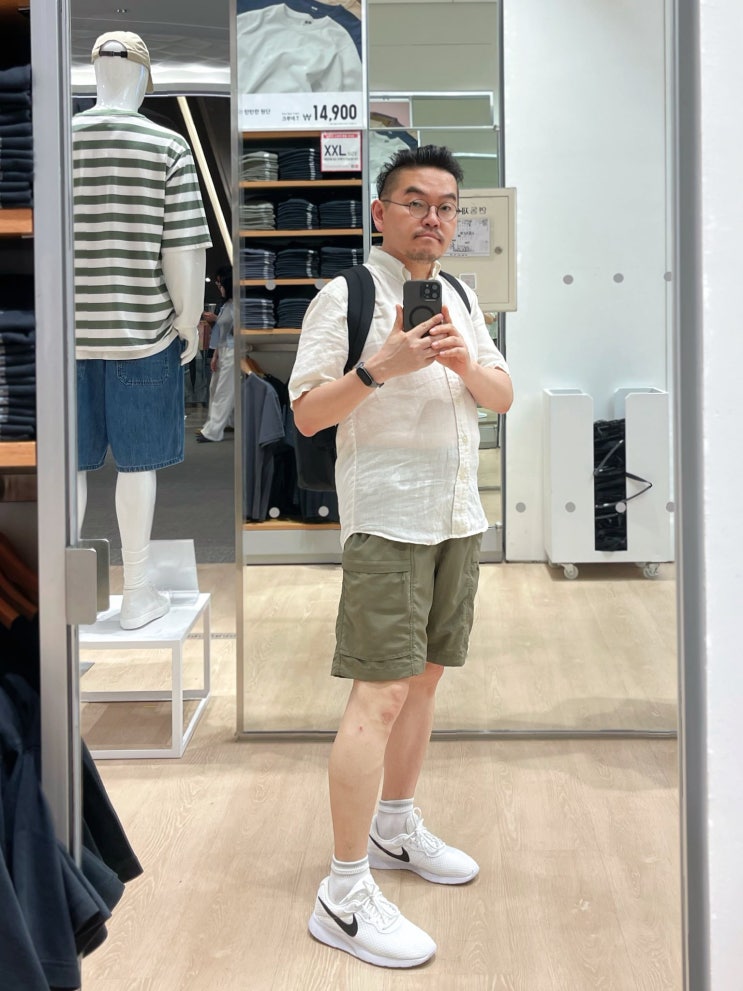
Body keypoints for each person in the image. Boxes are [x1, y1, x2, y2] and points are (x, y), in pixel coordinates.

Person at [289, 145, 513, 968]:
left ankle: (393, 826)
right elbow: (307, 414)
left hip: (456, 515)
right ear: (380, 212)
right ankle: (343, 892)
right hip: (386, 520)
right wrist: (381, 367)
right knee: (378, 695)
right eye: (415, 201)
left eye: (446, 205)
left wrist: (461, 361)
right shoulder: (344, 295)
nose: (432, 217)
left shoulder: (460, 295)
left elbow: (501, 394)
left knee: (423, 680)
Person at [73, 31, 211, 630]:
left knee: (68, 471)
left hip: (64, 341)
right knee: (137, 469)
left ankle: (68, 599)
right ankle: (136, 592)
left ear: (93, 72)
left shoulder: (57, 141)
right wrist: (189, 319)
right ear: (146, 79)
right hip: (144, 336)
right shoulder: (167, 146)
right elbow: (183, 250)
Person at [196, 266, 235, 443]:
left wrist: (215, 319)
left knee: (223, 391)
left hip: (234, 351)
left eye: (220, 283)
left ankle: (213, 431)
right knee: (216, 388)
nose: (218, 286)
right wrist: (216, 355)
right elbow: (223, 332)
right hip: (224, 349)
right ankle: (223, 423)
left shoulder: (236, 305)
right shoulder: (227, 304)